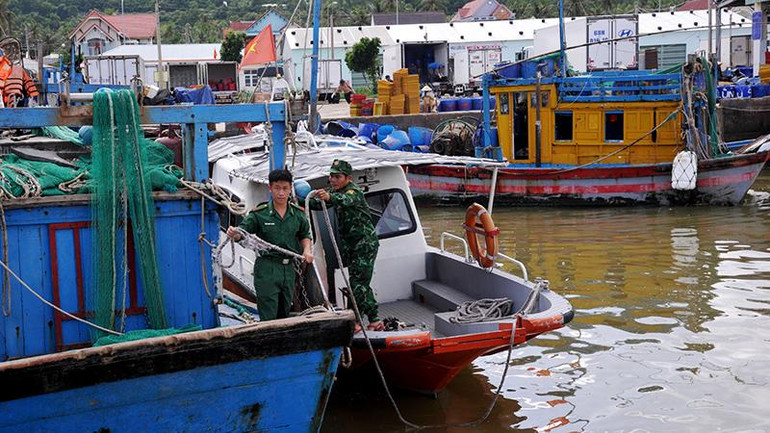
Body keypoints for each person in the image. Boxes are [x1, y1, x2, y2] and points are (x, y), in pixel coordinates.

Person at [226, 169, 313, 321]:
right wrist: (235, 234)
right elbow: (243, 232)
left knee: (284, 312)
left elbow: (305, 235)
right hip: (267, 268)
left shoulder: (298, 214)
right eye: (277, 188)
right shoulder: (260, 214)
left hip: (289, 269)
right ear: (270, 188)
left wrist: (307, 250)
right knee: (269, 315)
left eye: (285, 188)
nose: (281, 193)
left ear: (290, 188)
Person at [311, 159, 383, 332]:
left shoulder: (353, 192)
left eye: (337, 177)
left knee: (358, 284)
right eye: (331, 176)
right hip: (352, 246)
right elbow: (320, 204)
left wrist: (329, 196)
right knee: (359, 283)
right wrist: (301, 200)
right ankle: (370, 320)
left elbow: (344, 199)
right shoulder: (336, 192)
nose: (332, 180)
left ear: (348, 178)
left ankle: (362, 322)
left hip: (364, 245)